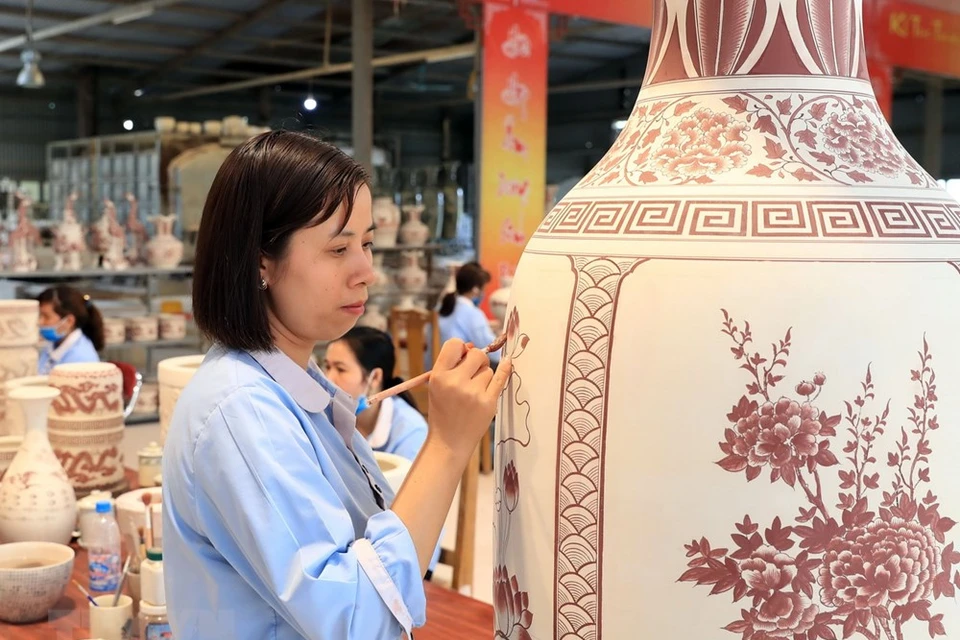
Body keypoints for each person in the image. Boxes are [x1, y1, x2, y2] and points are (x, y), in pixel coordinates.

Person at [161, 130, 511, 640]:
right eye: (339, 248)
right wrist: (449, 443)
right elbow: (359, 620)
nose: (366, 271)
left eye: (367, 243)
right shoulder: (244, 410)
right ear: (261, 262)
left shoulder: (291, 380)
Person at [323, 326, 442, 579]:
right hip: (359, 548)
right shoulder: (332, 419)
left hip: (409, 558)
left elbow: (413, 513)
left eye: (340, 369)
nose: (328, 378)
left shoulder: (411, 433)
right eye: (326, 366)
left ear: (374, 378)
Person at [437, 262, 501, 365]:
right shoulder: (472, 313)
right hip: (455, 372)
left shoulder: (443, 306)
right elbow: (493, 349)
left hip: (433, 368)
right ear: (475, 289)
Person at [36, 285, 104, 374]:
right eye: (40, 316)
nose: (40, 322)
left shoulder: (82, 359)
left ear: (69, 321)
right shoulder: (52, 345)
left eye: (46, 317)